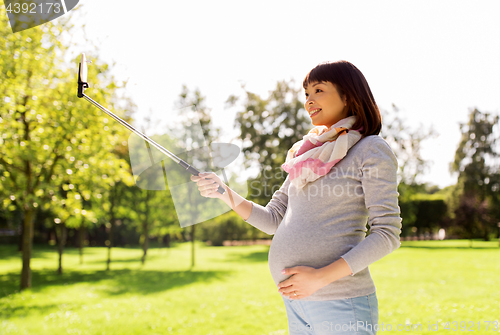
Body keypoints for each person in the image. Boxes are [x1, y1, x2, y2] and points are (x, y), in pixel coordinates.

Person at [191, 60, 402, 335]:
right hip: (297, 303)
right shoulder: (306, 156)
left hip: (339, 302)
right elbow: (273, 219)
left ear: (348, 95)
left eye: (318, 90)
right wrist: (223, 191)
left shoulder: (370, 149)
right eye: (306, 94)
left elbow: (388, 233)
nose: (309, 101)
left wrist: (319, 278)